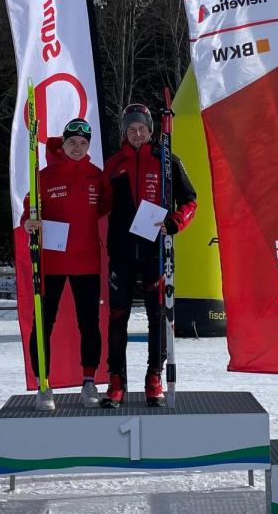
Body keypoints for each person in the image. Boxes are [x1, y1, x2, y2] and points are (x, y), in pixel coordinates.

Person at [102, 103, 197, 408]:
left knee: (158, 316)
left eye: (141, 128)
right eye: (131, 129)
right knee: (118, 316)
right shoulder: (114, 164)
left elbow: (191, 200)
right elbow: (98, 203)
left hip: (156, 251)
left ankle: (153, 378)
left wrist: (176, 222)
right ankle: (116, 380)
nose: (137, 133)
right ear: (124, 132)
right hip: (122, 251)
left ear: (150, 130)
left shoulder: (166, 161)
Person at [22, 118, 111, 411]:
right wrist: (29, 222)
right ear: (63, 144)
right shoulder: (44, 176)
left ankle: (89, 382)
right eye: (72, 142)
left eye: (83, 144)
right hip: (52, 263)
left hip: (87, 262)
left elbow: (107, 207)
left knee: (89, 323)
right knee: (43, 322)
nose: (77, 148)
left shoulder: (96, 176)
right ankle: (43, 384)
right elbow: (29, 211)